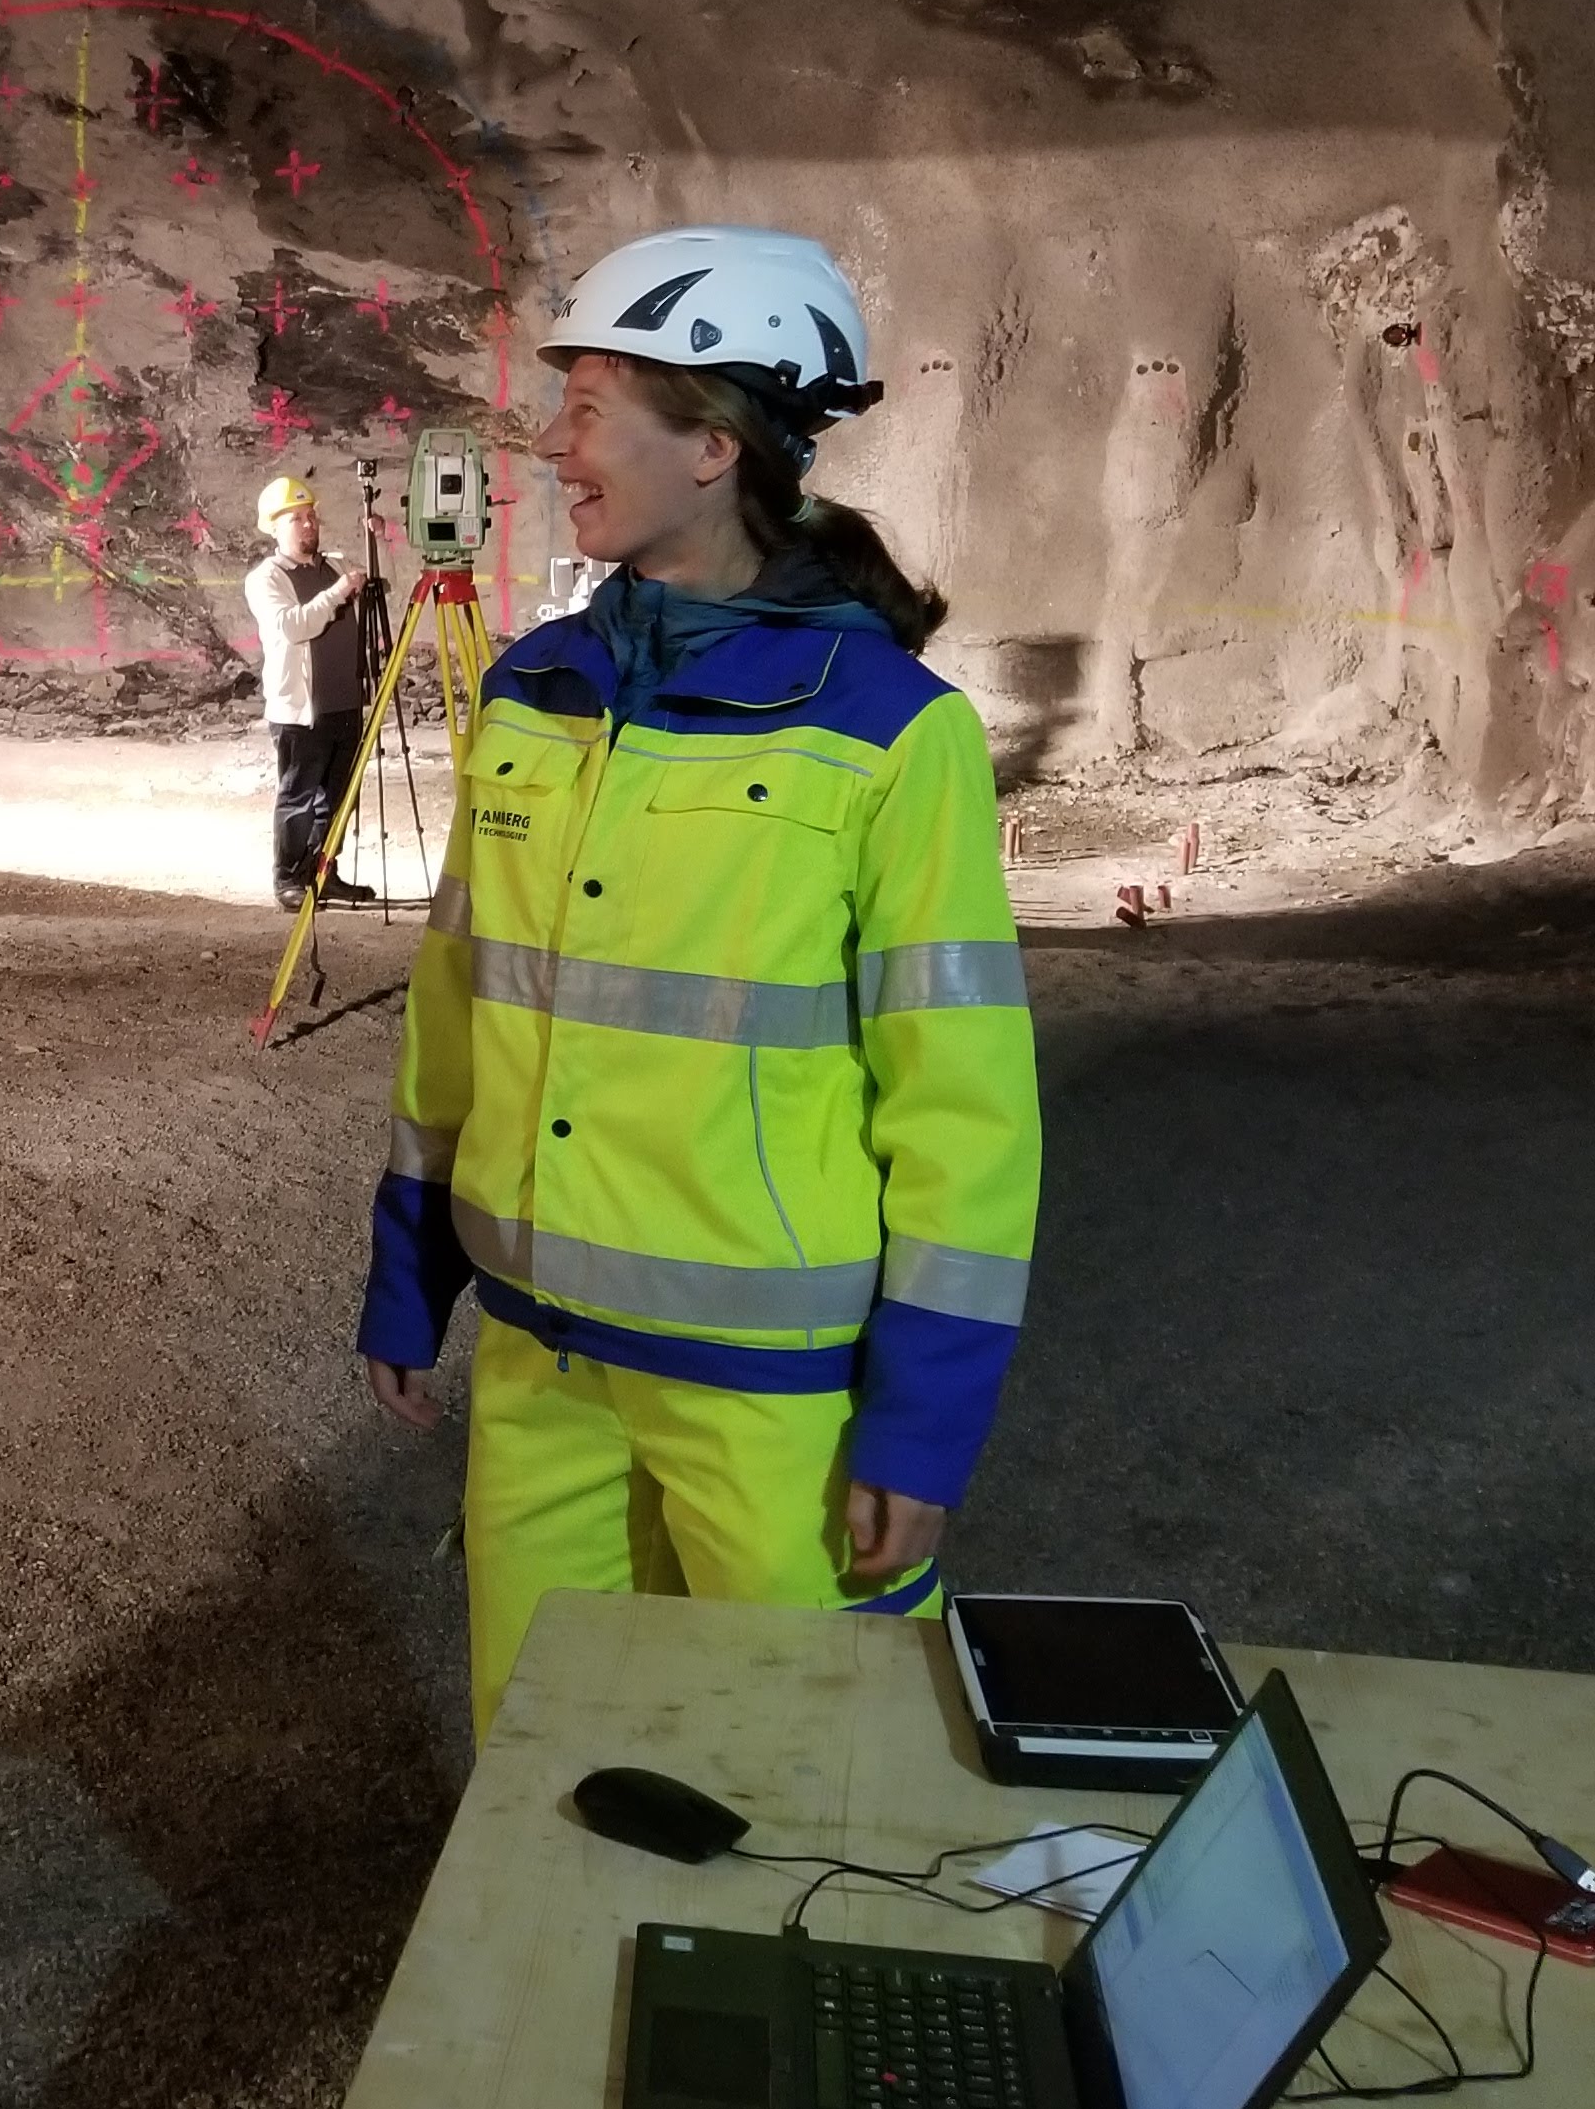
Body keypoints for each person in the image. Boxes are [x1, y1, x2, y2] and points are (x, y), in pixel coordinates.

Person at [353, 226, 1040, 1737]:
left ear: (715, 446)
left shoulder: (888, 732)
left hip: (769, 1394)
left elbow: (967, 1118)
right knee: (544, 1756)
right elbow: (460, 1006)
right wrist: (414, 1278)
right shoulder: (540, 686)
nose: (552, 441)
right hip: (539, 1357)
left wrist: (920, 1430)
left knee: (801, 1765)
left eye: (593, 407)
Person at [245, 471, 378, 905]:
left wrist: (379, 546)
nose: (308, 525)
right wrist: (339, 592)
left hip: (345, 704)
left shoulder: (332, 566)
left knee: (336, 801)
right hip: (301, 711)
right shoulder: (266, 578)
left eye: (311, 516)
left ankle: (324, 871)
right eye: (296, 519)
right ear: (275, 527)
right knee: (298, 798)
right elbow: (293, 626)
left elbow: (375, 596)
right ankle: (288, 879)